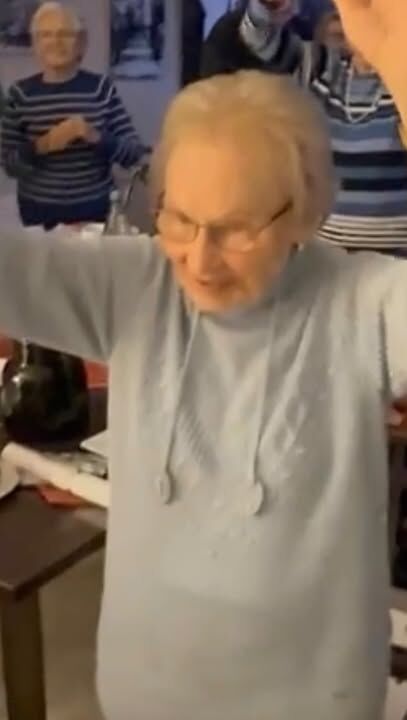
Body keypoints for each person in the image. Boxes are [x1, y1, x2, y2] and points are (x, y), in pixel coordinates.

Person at [0, 0, 406, 717]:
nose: (199, 259)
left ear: (304, 211)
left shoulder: (363, 307)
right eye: (179, 219)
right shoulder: (137, 283)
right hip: (143, 697)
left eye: (236, 229)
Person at [202, 0, 407, 255]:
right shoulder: (322, 67)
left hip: (396, 261)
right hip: (325, 257)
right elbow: (258, 37)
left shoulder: (400, 82)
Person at [0, 2, 146, 229]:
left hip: (95, 214)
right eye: (46, 35)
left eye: (65, 34)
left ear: (81, 43)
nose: (56, 41)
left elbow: (133, 153)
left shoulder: (101, 89)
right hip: (37, 216)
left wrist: (94, 136)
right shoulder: (19, 94)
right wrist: (43, 145)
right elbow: (9, 164)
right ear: (36, 44)